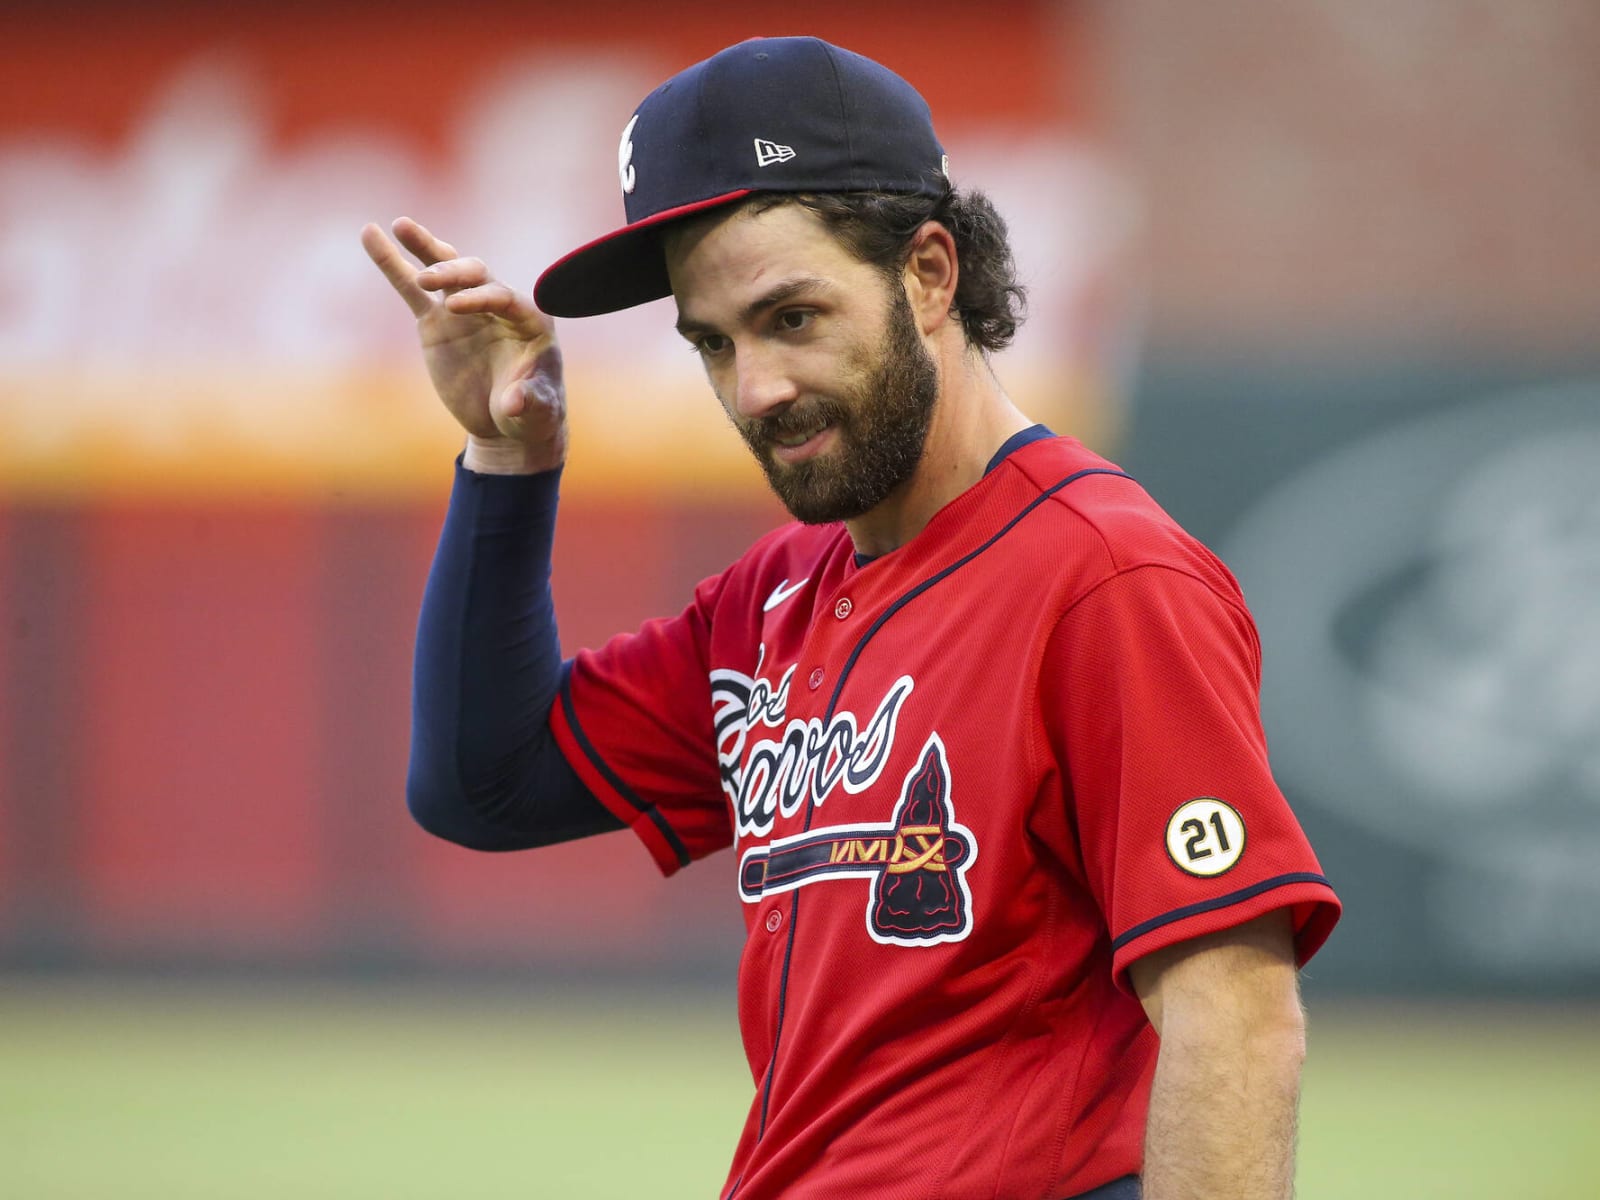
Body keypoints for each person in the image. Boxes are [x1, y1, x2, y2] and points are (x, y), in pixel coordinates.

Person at [361, 36, 1339, 1200]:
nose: (754, 388)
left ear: (929, 273)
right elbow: (483, 781)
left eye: (790, 318)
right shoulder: (772, 599)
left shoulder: (1106, 578)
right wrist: (506, 455)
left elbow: (1234, 1013)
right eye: (712, 343)